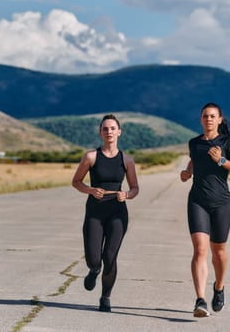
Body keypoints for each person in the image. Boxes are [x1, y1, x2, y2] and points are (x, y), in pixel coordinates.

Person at [180, 102, 230, 317]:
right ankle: (200, 300)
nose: (208, 119)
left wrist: (222, 160)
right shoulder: (194, 143)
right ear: (200, 119)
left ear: (219, 120)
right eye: (205, 116)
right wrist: (187, 172)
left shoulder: (227, 142)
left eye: (212, 116)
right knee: (200, 250)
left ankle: (219, 287)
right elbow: (194, 161)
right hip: (197, 201)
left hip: (221, 203)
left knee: (218, 252)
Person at [72, 114, 139, 312]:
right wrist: (91, 190)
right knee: (94, 257)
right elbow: (76, 182)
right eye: (105, 129)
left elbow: (135, 188)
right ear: (100, 132)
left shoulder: (126, 159)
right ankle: (94, 269)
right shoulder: (91, 156)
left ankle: (105, 297)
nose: (109, 132)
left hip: (117, 211)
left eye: (112, 128)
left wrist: (126, 194)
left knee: (110, 256)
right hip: (95, 211)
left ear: (119, 132)